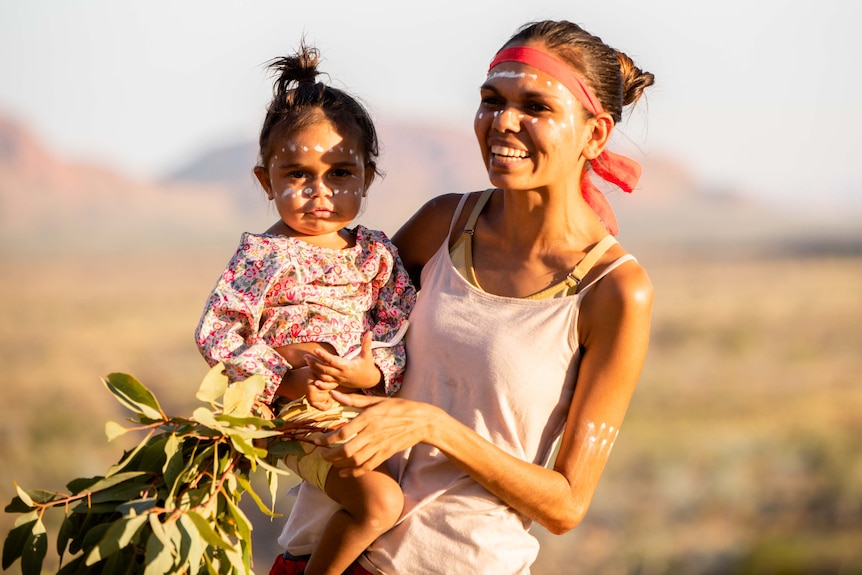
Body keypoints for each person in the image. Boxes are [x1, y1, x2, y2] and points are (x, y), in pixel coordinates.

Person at [272, 19, 656, 575]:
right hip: (321, 552)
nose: (504, 122)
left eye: (536, 107)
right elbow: (321, 323)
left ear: (594, 135)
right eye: (491, 100)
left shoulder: (614, 290)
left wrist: (431, 425)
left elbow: (567, 504)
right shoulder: (442, 225)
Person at [194, 42, 416, 575]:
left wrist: (370, 370)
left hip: (360, 408)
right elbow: (219, 332)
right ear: (265, 181)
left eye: (340, 173)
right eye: (296, 174)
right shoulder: (263, 255)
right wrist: (285, 378)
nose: (320, 192)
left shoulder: (376, 254)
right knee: (382, 503)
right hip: (297, 420)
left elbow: (396, 326)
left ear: (368, 175)